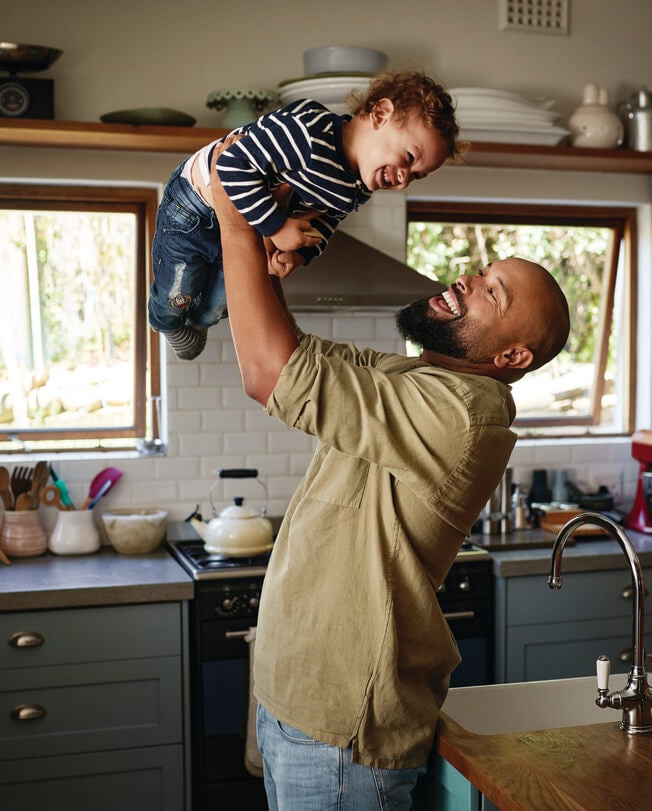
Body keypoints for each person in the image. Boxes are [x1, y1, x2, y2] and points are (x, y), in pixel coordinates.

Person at [206, 133, 572, 809]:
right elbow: (301, 354)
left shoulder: (463, 412)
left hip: (344, 724)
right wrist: (269, 248)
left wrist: (234, 213)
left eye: (491, 291)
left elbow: (272, 375)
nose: (466, 278)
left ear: (514, 356)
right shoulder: (423, 377)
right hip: (300, 700)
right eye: (482, 269)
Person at [149, 70, 461, 360]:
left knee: (223, 302)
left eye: (417, 176)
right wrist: (277, 226)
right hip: (194, 207)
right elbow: (230, 165)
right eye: (408, 158)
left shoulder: (356, 186)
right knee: (179, 292)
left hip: (239, 224)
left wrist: (300, 255)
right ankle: (166, 322)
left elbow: (324, 221)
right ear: (380, 114)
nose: (404, 179)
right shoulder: (308, 131)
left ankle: (199, 321)